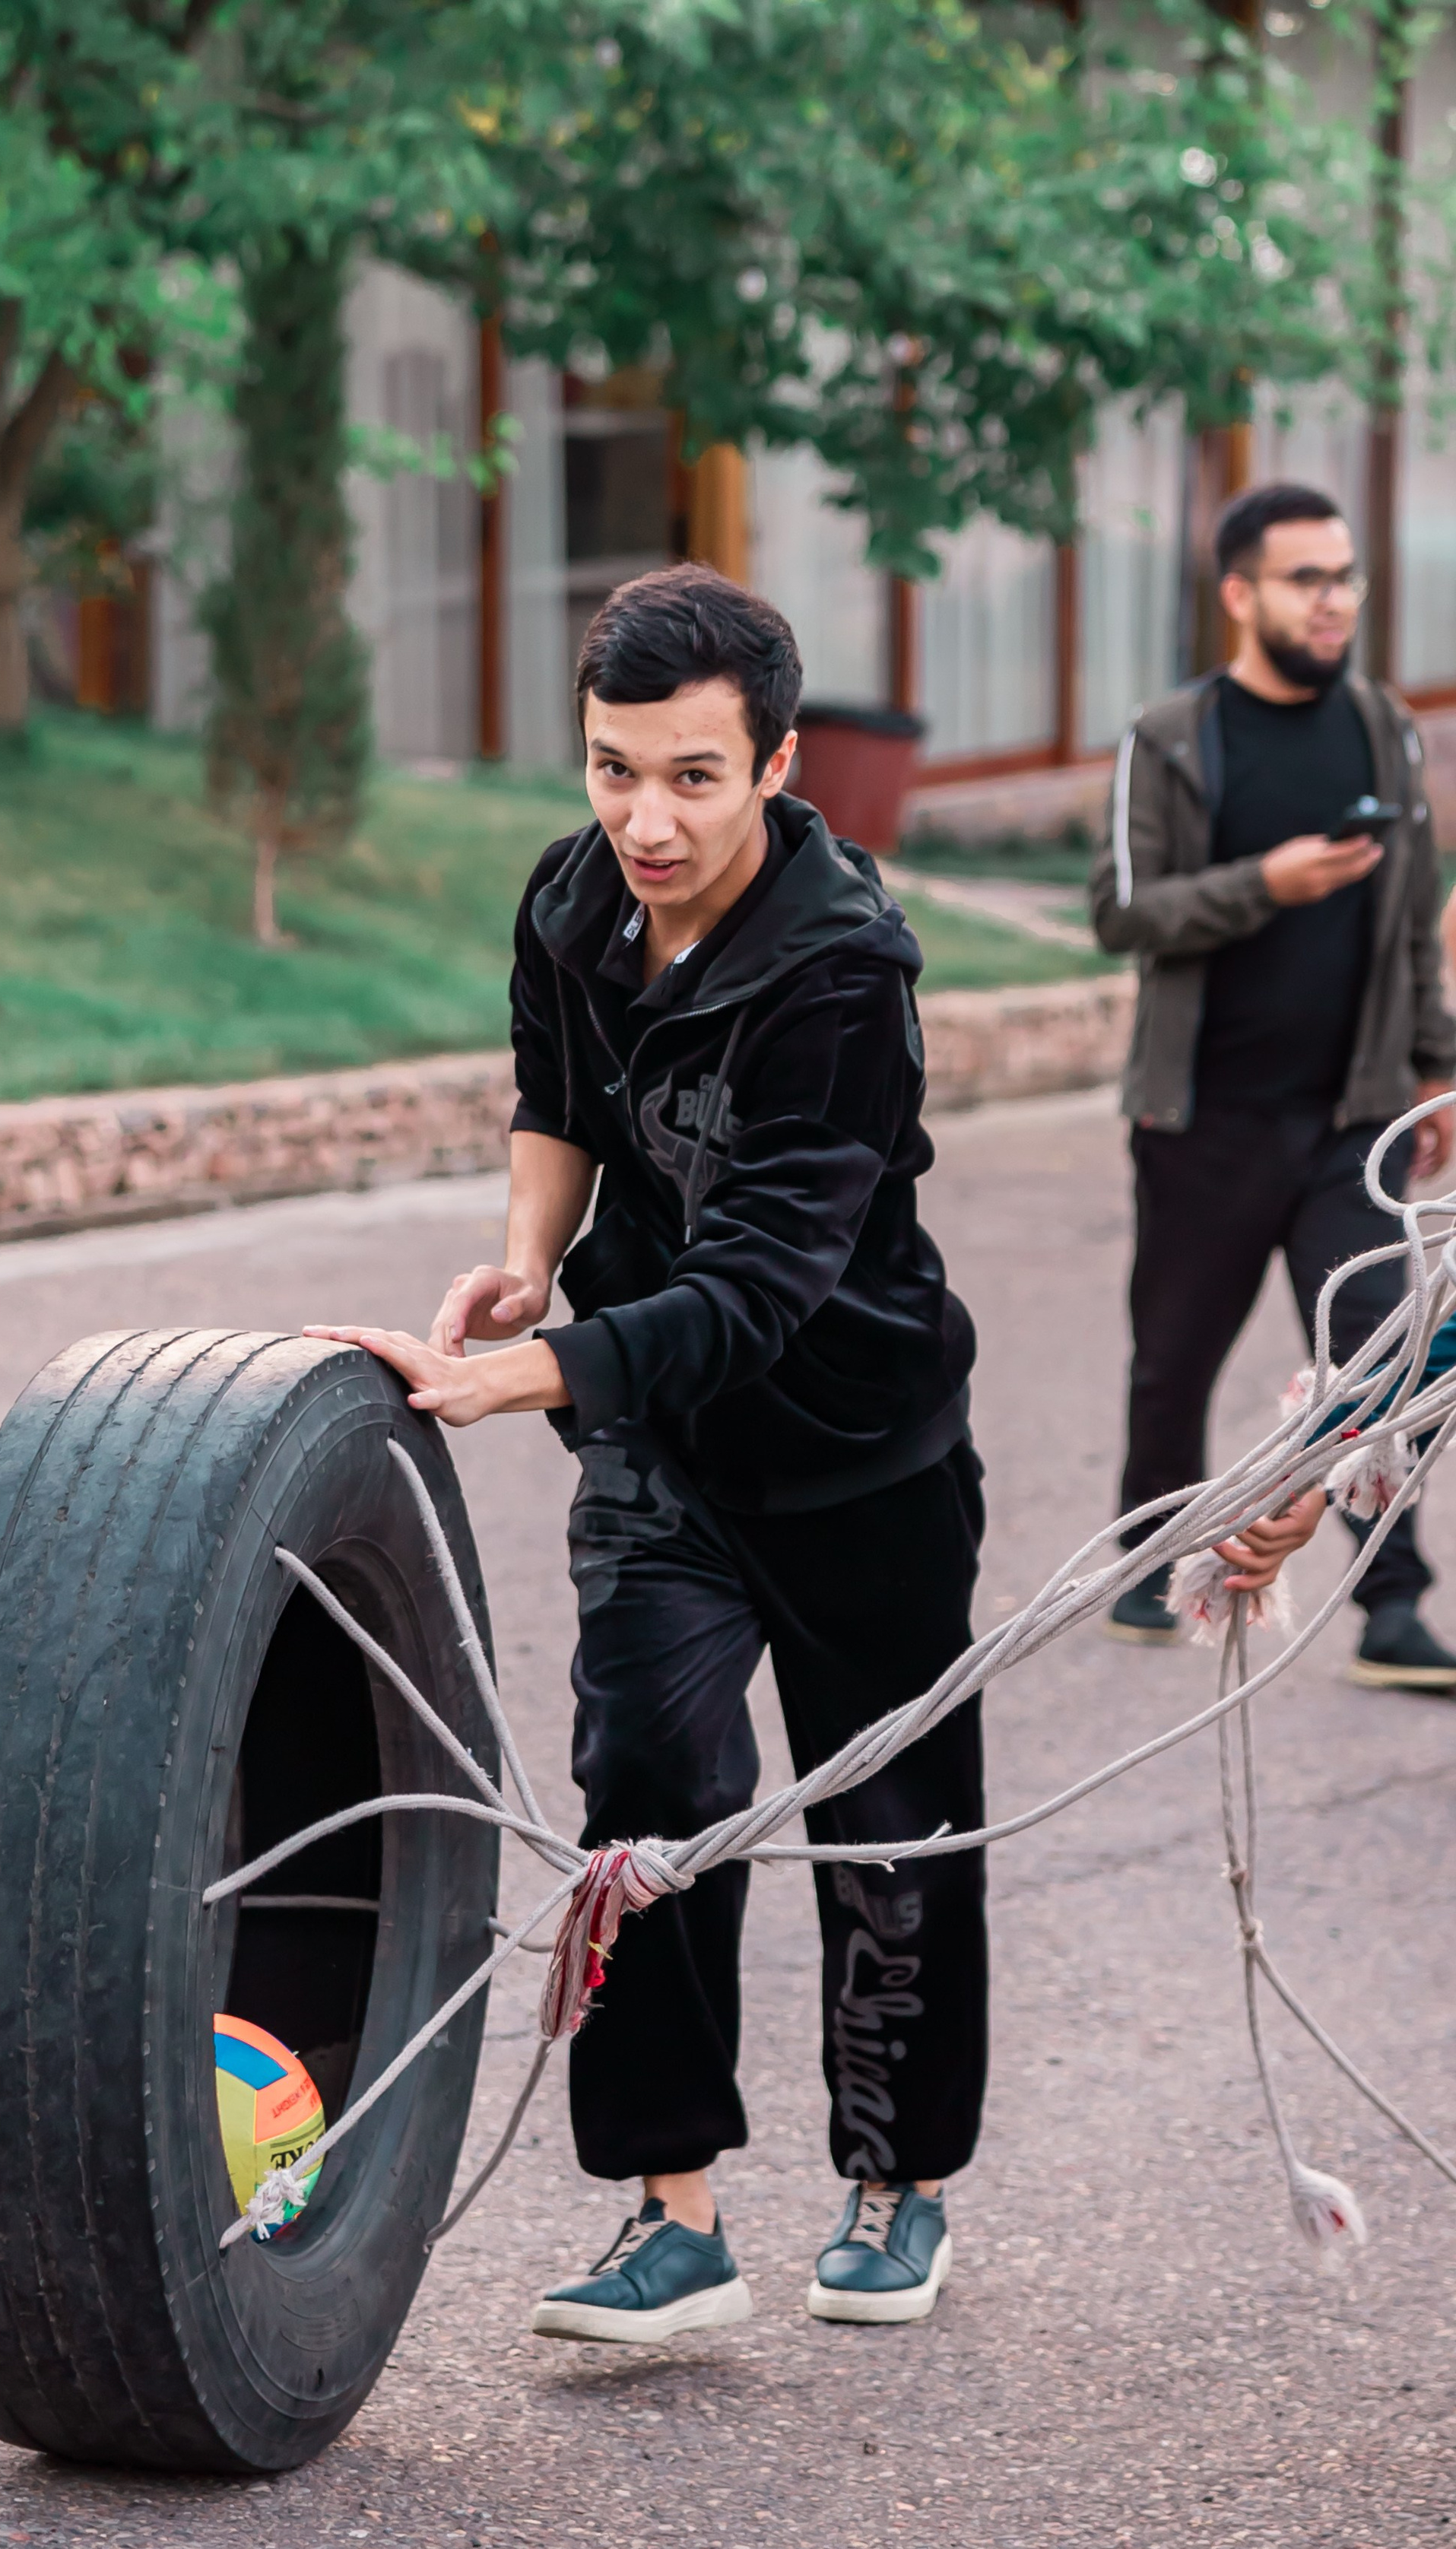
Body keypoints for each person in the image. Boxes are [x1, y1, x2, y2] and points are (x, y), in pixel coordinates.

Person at [306, 563, 987, 2341]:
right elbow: (552, 1097)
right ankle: (673, 2215)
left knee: (887, 1825)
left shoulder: (844, 976)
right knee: (647, 1793)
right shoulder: (571, 898)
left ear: (773, 763)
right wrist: (529, 1260)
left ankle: (897, 2188)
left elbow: (760, 1291)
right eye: (614, 768)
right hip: (657, 1450)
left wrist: (514, 1382)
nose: (643, 817)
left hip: (857, 1452)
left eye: (690, 776)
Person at [1091, 479, 1456, 1689]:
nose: (1336, 599)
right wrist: (1269, 884)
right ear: (1241, 594)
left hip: (1353, 1121)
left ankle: (1390, 1604)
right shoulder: (1173, 737)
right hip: (1203, 1118)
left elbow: (1413, 919)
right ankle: (1148, 1558)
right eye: (1309, 578)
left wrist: (1437, 1071)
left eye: (1346, 574)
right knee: (1172, 1357)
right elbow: (1123, 910)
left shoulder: (1384, 729)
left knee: (1373, 1361)